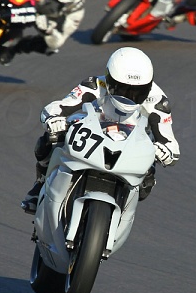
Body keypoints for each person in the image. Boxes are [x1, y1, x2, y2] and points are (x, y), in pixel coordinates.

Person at [21, 47, 179, 215]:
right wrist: (53, 118)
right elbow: (59, 106)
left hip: (132, 144)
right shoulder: (95, 85)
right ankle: (41, 183)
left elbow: (170, 142)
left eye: (137, 92)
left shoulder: (157, 101)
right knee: (51, 138)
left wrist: (166, 151)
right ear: (110, 80)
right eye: (122, 89)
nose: (129, 96)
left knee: (147, 181)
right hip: (93, 135)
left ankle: (123, 212)